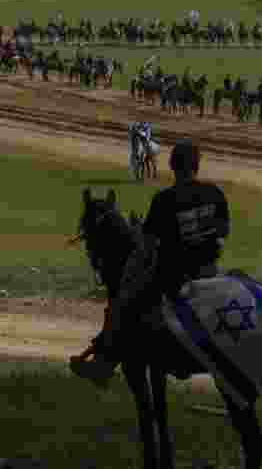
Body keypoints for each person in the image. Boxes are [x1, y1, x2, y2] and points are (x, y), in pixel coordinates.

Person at [72, 139, 229, 388]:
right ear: (197, 165)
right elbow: (222, 235)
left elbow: (146, 245)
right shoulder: (215, 194)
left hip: (174, 277)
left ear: (172, 165)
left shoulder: (164, 199)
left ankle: (103, 364)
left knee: (123, 302)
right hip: (212, 272)